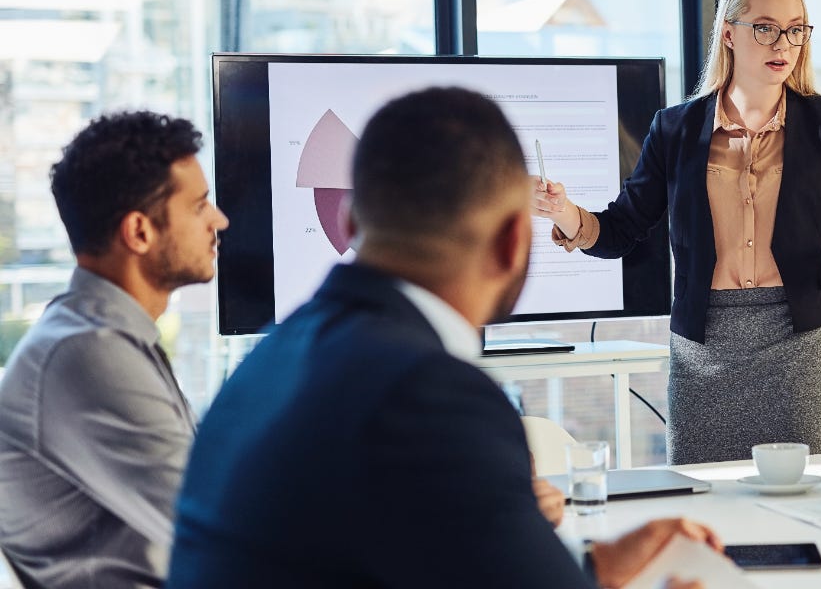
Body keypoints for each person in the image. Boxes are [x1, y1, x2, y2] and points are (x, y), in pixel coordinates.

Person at [167, 87, 719, 588]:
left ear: (351, 224)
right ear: (512, 244)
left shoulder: (269, 363)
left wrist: (594, 570)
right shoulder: (429, 394)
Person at [534, 0, 821, 464]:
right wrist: (564, 210)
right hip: (703, 350)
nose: (784, 42)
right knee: (705, 501)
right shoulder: (674, 128)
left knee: (797, 502)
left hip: (798, 346)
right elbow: (622, 230)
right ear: (729, 34)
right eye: (765, 26)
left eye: (796, 28)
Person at [0, 111, 228, 587]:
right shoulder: (85, 353)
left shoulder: (104, 337)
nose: (219, 220)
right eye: (199, 206)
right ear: (140, 232)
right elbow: (223, 528)